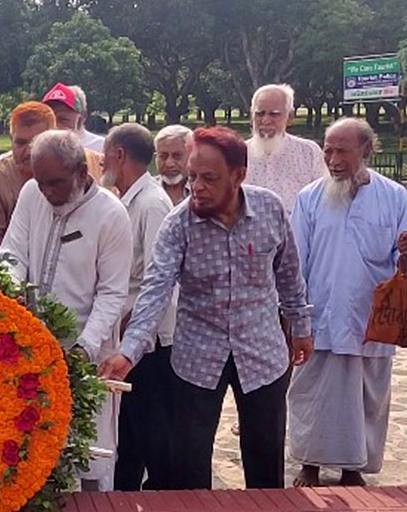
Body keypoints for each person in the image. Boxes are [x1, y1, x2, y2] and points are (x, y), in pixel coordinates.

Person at [101, 126, 313, 490]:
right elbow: (154, 292)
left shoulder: (270, 209)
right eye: (193, 176)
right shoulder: (177, 225)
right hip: (198, 359)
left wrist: (301, 326)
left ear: (238, 175)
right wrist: (128, 352)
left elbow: (289, 273)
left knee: (266, 468)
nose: (196, 187)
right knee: (190, 471)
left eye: (209, 179)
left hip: (263, 354)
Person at [287, 118, 407, 488]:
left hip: (371, 318)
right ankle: (310, 464)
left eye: (342, 151)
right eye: (328, 150)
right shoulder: (310, 198)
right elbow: (294, 261)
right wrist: (292, 313)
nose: (333, 159)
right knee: (312, 394)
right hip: (320, 315)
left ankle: (354, 469)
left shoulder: (393, 196)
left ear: (366, 150)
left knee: (367, 398)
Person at [0, 129, 131, 492]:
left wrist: (83, 348)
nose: (47, 192)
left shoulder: (111, 215)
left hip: (86, 354)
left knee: (89, 458)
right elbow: (12, 252)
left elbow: (112, 293)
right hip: (28, 348)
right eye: (40, 182)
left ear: (80, 171)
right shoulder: (31, 194)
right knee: (30, 447)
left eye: (55, 182)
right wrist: (12, 296)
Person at [100, 124, 177, 491]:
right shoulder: (127, 199)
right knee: (128, 429)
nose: (101, 161)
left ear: (119, 155)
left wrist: (129, 333)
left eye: (105, 155)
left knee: (151, 427)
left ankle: (165, 501)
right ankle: (124, 494)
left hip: (146, 339)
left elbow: (158, 279)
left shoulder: (151, 203)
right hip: (127, 336)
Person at [244, 84, 327, 212]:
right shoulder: (237, 154)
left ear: (290, 118)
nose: (265, 121)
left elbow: (323, 202)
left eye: (274, 114)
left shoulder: (309, 152)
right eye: (260, 114)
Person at [0, 102, 56, 238]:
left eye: (36, 142)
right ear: (11, 140)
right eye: (20, 143)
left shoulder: (72, 171)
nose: (29, 151)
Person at [42, 83, 105, 180]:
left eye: (62, 120)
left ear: (80, 120)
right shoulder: (35, 152)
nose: (54, 126)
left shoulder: (101, 148)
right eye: (49, 119)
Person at [154, 125, 194, 206]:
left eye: (177, 156)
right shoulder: (147, 191)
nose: (169, 164)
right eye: (163, 156)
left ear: (192, 156)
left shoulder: (204, 193)